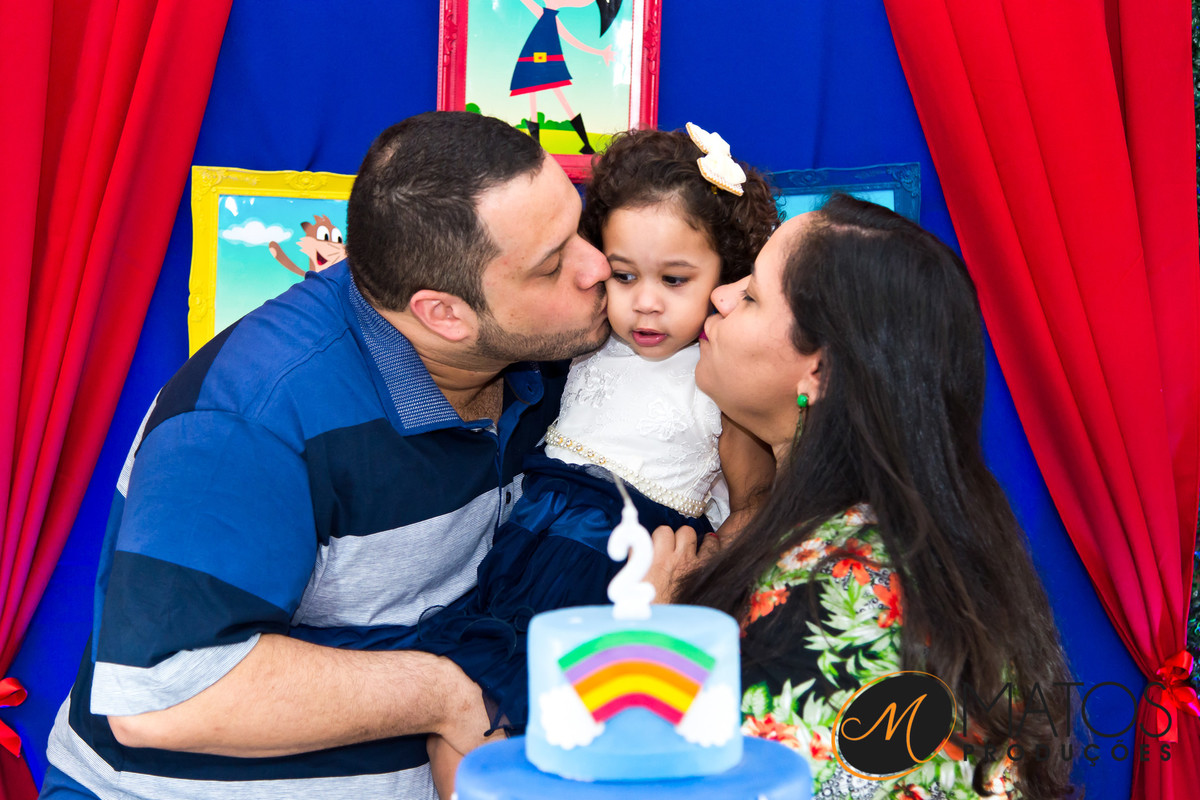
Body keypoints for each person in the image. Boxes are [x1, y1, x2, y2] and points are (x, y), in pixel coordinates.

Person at [40, 111, 613, 800]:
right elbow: (161, 693)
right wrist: (446, 693)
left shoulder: (547, 350)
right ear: (444, 314)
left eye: (580, 226)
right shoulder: (249, 418)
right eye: (553, 264)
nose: (598, 266)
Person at [352, 126, 777, 795]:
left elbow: (754, 502)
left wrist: (694, 585)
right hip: (527, 552)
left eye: (675, 280)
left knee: (582, 740)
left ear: (724, 277)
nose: (645, 302)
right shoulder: (579, 339)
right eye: (624, 274)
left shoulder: (716, 376)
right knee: (463, 718)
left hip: (621, 571)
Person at [653, 194, 1075, 799]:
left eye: (751, 296)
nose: (720, 295)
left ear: (819, 372)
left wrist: (655, 639)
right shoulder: (906, 540)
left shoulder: (843, 599)